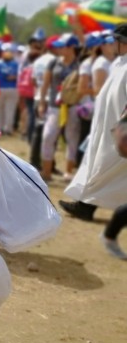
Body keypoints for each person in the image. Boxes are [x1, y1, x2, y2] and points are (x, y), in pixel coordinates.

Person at [61, 28, 125, 223]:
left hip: (120, 129)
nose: (111, 44)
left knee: (108, 168)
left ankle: (85, 206)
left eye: (115, 41)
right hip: (107, 128)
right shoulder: (119, 63)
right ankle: (84, 204)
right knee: (101, 166)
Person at [37, 33, 81, 180]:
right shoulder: (53, 63)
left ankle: (68, 171)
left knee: (72, 138)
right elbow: (45, 84)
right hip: (54, 107)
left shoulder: (80, 64)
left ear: (72, 47)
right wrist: (42, 102)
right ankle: (47, 172)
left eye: (63, 46)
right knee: (48, 136)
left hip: (73, 106)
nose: (59, 49)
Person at [0, 42, 19, 134]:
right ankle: (8, 129)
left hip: (1, 88)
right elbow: (19, 75)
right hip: (12, 89)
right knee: (10, 109)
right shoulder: (16, 64)